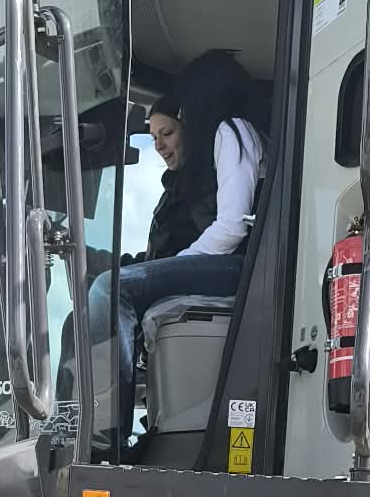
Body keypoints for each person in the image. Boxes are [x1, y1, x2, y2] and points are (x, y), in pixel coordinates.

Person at [86, 52, 265, 439]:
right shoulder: (202, 161)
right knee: (99, 290)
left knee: (110, 290)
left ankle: (105, 434)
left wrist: (173, 269)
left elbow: (233, 226)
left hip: (234, 265)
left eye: (168, 132)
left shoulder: (231, 131)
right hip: (221, 262)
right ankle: (85, 420)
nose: (161, 146)